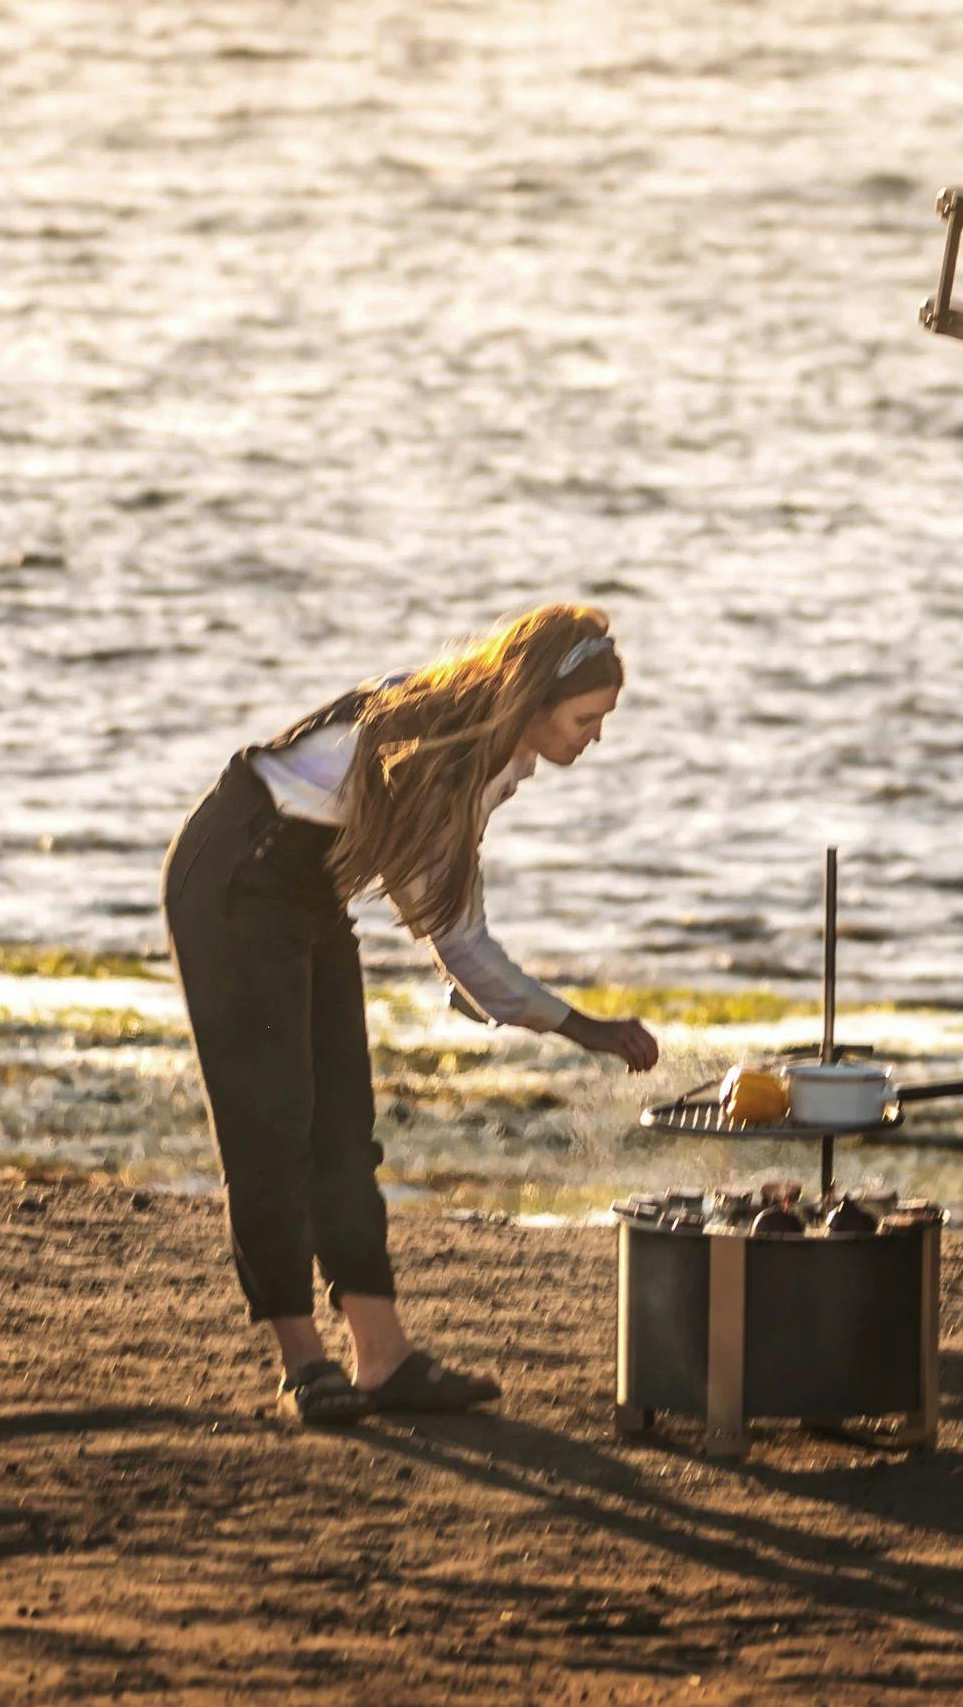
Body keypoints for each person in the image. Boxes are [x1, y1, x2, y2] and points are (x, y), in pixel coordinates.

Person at [161, 601, 663, 1426]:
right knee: (274, 1126)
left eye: (601, 721)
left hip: (311, 888)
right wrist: (582, 1027)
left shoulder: (492, 752)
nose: (594, 738)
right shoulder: (434, 747)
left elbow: (450, 919)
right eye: (585, 719)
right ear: (533, 700)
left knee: (344, 1126)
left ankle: (382, 1357)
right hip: (235, 878)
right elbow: (459, 939)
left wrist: (538, 1010)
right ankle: (303, 1363)